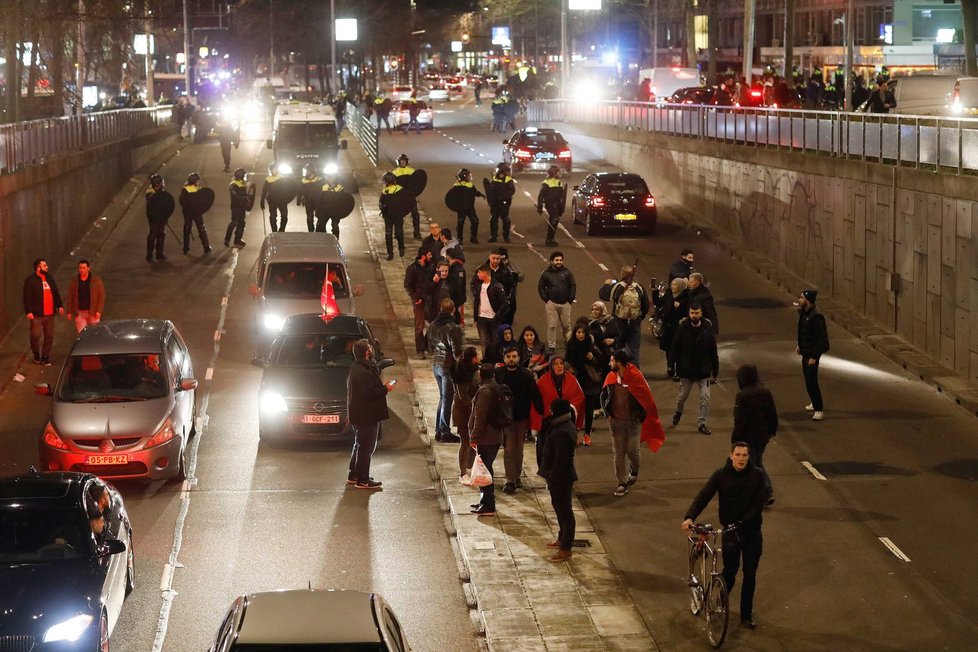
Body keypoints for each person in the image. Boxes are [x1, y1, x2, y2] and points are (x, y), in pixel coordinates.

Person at [682, 443, 767, 630]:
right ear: (731, 456)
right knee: (730, 571)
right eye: (738, 454)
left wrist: (743, 521)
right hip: (730, 532)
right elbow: (703, 496)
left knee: (750, 575)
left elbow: (759, 502)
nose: (742, 458)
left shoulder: (758, 475)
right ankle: (721, 600)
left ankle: (746, 615)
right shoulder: (720, 475)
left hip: (751, 532)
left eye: (745, 455)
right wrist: (690, 516)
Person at [599, 348, 665, 496]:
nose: (610, 363)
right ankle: (622, 482)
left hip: (634, 422)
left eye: (612, 360)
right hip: (616, 422)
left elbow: (647, 399)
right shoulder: (610, 377)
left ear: (619, 363)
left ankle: (634, 470)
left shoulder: (636, 377)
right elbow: (603, 396)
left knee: (633, 451)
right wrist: (607, 413)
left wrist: (641, 416)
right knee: (618, 453)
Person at [346, 339, 395, 490]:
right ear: (367, 353)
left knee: (359, 445)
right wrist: (386, 388)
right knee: (366, 448)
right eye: (370, 348)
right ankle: (363, 480)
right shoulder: (362, 372)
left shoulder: (359, 368)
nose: (372, 350)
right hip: (366, 415)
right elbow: (369, 393)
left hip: (361, 415)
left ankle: (354, 475)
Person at [494, 347, 544, 494]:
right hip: (506, 418)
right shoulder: (499, 375)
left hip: (521, 417)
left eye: (514, 356)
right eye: (508, 356)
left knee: (519, 449)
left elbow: (534, 394)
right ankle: (510, 479)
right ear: (503, 358)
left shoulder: (525, 375)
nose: (511, 359)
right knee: (509, 449)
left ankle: (516, 476)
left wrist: (541, 411)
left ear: (518, 357)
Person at [537, 398, 578, 562]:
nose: (550, 412)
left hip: (561, 478)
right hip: (555, 476)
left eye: (552, 410)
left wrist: (553, 477)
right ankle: (562, 538)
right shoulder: (559, 426)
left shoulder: (563, 431)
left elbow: (562, 460)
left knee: (565, 511)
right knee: (559, 508)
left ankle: (566, 548)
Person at [732, 364, 779, 506]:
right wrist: (772, 431)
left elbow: (740, 420)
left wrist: (735, 439)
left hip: (748, 437)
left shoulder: (742, 396)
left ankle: (764, 492)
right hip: (763, 435)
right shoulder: (765, 392)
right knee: (757, 461)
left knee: (753, 466)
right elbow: (772, 414)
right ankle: (765, 492)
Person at [671, 302, 719, 435]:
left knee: (705, 397)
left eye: (697, 313)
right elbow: (675, 348)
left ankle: (702, 423)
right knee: (682, 397)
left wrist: (715, 370)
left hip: (703, 371)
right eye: (692, 313)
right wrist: (672, 365)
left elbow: (713, 350)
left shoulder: (707, 329)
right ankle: (678, 412)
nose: (694, 315)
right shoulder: (682, 329)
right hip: (686, 371)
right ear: (689, 313)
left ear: (701, 313)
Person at [469, 364, 504, 515]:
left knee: (485, 471)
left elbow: (480, 417)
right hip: (494, 436)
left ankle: (488, 505)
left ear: (481, 375)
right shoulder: (494, 387)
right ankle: (485, 501)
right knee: (486, 469)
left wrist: (474, 436)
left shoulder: (484, 391)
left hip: (486, 438)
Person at [598, 265, 649, 368]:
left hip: (619, 322)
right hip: (634, 323)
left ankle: (618, 371)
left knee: (618, 348)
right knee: (634, 349)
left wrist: (607, 285)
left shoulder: (618, 287)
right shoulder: (639, 287)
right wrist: (639, 318)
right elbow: (646, 306)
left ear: (622, 274)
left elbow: (603, 295)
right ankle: (634, 373)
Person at [428, 298, 464, 443]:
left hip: (436, 362)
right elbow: (456, 352)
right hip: (447, 365)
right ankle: (444, 431)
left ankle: (439, 429)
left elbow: (430, 344)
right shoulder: (452, 328)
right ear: (453, 310)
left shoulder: (433, 325)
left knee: (443, 398)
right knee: (447, 399)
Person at [564, 322, 604, 446]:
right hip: (576, 381)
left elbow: (601, 363)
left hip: (589, 382)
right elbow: (566, 361)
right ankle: (575, 434)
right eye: (578, 332)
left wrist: (592, 358)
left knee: (588, 409)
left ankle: (587, 434)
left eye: (583, 332)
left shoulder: (591, 347)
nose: (580, 335)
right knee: (575, 408)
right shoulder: (570, 346)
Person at [530, 356, 585, 445]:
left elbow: (580, 397)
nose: (560, 366)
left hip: (567, 421)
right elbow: (536, 402)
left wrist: (570, 407)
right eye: (556, 364)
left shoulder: (572, 379)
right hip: (548, 423)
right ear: (551, 366)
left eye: (561, 364)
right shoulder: (542, 381)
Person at [23, 258, 64, 365]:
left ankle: (45, 356)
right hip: (37, 314)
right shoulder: (30, 280)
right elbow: (27, 297)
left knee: (49, 336)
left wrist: (59, 305)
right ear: (38, 268)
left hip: (49, 313)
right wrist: (29, 311)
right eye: (44, 265)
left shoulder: (49, 278)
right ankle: (36, 354)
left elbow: (55, 292)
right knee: (35, 334)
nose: (47, 267)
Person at [796, 289, 829, 421]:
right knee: (808, 379)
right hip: (806, 351)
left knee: (811, 381)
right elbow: (803, 333)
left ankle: (819, 409)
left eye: (802, 298)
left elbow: (820, 340)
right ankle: (814, 402)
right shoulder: (804, 313)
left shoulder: (816, 317)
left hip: (812, 354)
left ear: (808, 301)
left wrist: (814, 357)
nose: (799, 299)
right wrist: (800, 346)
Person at [453, 346, 482, 482]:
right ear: (473, 358)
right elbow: (463, 396)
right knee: (465, 442)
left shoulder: (475, 369)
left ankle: (470, 467)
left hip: (472, 411)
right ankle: (463, 472)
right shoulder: (462, 373)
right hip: (463, 412)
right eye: (478, 354)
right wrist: (475, 408)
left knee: (473, 442)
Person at [538, 251, 576, 352]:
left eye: (560, 260)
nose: (559, 262)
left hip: (565, 304)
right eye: (556, 260)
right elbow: (540, 286)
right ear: (552, 261)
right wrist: (546, 299)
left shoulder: (567, 272)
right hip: (552, 304)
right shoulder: (546, 274)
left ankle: (568, 343)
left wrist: (570, 299)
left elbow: (573, 285)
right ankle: (551, 346)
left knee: (567, 325)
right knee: (551, 325)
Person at [471, 265, 509, 358]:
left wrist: (497, 317)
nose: (478, 274)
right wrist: (475, 317)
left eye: (479, 272)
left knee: (495, 343)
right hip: (481, 319)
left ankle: (496, 362)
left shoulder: (497, 287)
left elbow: (505, 305)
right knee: (484, 343)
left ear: (485, 273)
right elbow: (476, 302)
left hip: (494, 320)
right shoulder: (479, 286)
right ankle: (486, 363)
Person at [404, 248, 433, 359]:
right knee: (419, 326)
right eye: (429, 254)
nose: (431, 256)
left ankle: (426, 344)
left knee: (433, 324)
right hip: (419, 302)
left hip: (429, 300)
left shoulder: (431, 267)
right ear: (423, 256)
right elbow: (407, 286)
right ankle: (420, 349)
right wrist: (416, 298)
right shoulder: (412, 269)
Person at [660, 277, 689, 380]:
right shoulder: (668, 295)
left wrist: (679, 307)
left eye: (675, 285)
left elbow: (686, 313)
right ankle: (670, 367)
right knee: (669, 349)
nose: (672, 286)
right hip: (668, 328)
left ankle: (678, 370)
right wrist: (655, 292)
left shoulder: (685, 298)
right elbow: (659, 303)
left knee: (677, 350)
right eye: (672, 284)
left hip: (678, 329)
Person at [65, 260, 105, 334]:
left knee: (94, 333)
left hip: (93, 313)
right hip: (80, 313)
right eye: (80, 268)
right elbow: (70, 296)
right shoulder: (74, 281)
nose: (82, 270)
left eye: (84, 268)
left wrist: (99, 310)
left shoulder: (96, 280)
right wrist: (69, 311)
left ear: (88, 268)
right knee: (82, 334)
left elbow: (101, 296)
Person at [179, 172, 212, 255]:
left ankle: (185, 248)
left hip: (188, 212)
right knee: (201, 228)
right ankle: (206, 246)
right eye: (197, 181)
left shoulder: (185, 189)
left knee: (187, 228)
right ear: (194, 182)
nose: (198, 182)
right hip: (196, 212)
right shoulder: (196, 189)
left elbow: (182, 201)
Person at [379, 172, 408, 260]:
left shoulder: (396, 190)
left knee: (393, 233)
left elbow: (381, 203)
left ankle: (396, 250)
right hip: (392, 216)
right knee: (394, 233)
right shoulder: (388, 191)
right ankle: (395, 251)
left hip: (393, 215)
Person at [451, 168, 484, 244]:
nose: (469, 177)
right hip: (461, 207)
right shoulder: (457, 185)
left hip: (470, 207)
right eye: (468, 176)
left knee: (475, 221)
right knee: (460, 222)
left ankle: (473, 237)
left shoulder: (470, 184)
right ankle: (459, 238)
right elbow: (452, 196)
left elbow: (474, 192)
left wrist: (481, 194)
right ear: (464, 176)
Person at [392, 154, 421, 239]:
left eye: (404, 161)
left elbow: (416, 184)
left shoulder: (412, 171)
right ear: (398, 162)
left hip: (410, 196)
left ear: (407, 162)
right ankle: (398, 232)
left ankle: (417, 232)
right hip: (400, 197)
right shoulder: (395, 172)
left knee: (415, 214)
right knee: (398, 215)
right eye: (401, 161)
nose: (403, 163)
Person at [536, 165, 566, 247]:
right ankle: (549, 239)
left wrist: (561, 206)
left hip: (557, 204)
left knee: (555, 221)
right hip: (550, 204)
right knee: (554, 219)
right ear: (554, 173)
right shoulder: (546, 183)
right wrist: (540, 206)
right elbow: (541, 196)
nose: (560, 173)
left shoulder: (559, 182)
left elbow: (561, 196)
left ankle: (551, 238)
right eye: (558, 172)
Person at [487, 162, 516, 243]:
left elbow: (512, 190)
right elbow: (490, 190)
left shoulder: (508, 179)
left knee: (505, 219)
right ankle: (493, 236)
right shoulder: (495, 178)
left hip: (504, 202)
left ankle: (506, 236)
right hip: (495, 202)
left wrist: (503, 197)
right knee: (493, 218)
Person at [587, 301, 620, 371]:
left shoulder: (610, 321)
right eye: (592, 309)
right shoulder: (589, 324)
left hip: (609, 353)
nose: (594, 312)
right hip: (596, 354)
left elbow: (619, 336)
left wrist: (613, 340)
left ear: (602, 310)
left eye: (597, 309)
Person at [145, 174, 170, 261]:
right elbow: (154, 204)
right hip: (154, 217)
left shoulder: (160, 191)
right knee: (153, 234)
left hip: (161, 217)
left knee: (161, 234)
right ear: (157, 184)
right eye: (161, 182)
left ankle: (159, 253)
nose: (162, 184)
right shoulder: (150, 193)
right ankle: (149, 255)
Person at [260, 163, 289, 232]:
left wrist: (287, 198)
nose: (273, 171)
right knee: (273, 216)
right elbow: (264, 191)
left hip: (282, 200)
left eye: (274, 169)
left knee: (284, 216)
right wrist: (262, 201)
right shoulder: (268, 179)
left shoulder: (283, 178)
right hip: (272, 200)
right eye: (272, 170)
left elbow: (288, 190)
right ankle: (274, 231)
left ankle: (282, 229)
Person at [225, 168, 249, 247]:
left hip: (242, 207)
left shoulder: (241, 183)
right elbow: (236, 196)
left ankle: (238, 240)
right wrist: (244, 198)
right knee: (234, 222)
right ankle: (227, 239)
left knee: (242, 223)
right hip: (236, 207)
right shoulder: (234, 185)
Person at [318, 173, 346, 237]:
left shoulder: (340, 188)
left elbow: (343, 201)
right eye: (328, 178)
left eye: (330, 178)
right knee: (321, 225)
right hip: (325, 210)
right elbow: (320, 199)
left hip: (335, 211)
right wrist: (318, 211)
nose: (329, 179)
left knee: (335, 226)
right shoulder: (324, 187)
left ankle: (335, 240)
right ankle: (324, 240)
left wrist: (341, 211)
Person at [297, 165, 323, 232]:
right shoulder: (303, 180)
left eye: (307, 170)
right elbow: (300, 191)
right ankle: (311, 231)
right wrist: (298, 200)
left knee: (320, 216)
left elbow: (324, 190)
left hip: (318, 202)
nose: (306, 172)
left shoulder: (319, 180)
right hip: (308, 201)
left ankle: (318, 230)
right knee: (309, 217)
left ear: (312, 171)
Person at [446, 246, 467, 325]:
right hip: (456, 301)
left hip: (456, 301)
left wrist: (455, 302)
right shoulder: (454, 269)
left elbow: (458, 287)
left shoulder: (457, 270)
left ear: (448, 257)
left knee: (457, 321)